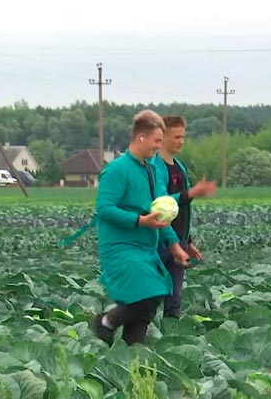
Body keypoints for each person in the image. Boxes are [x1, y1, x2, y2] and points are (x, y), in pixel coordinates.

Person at [93, 110, 190, 344]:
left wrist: (175, 244)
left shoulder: (151, 169)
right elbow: (104, 209)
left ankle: (131, 353)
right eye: (157, 141)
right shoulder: (117, 169)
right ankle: (106, 321)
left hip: (145, 246)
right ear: (141, 138)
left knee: (149, 303)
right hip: (120, 246)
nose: (159, 146)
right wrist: (139, 221)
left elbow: (159, 209)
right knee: (149, 293)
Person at [149, 116, 217, 318]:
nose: (181, 141)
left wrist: (188, 241)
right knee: (148, 299)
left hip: (179, 242)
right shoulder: (155, 167)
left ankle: (170, 342)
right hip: (159, 242)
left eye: (183, 137)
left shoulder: (180, 167)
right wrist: (192, 193)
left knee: (174, 299)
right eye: (176, 137)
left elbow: (183, 210)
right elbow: (162, 202)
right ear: (163, 138)